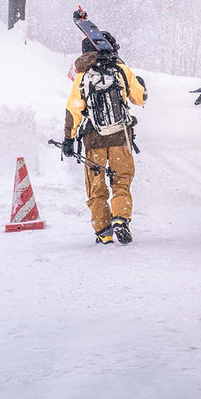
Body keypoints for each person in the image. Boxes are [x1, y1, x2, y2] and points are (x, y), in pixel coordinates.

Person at [62, 31, 146, 245]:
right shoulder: (121, 70)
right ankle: (121, 218)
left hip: (93, 142)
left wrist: (69, 139)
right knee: (121, 182)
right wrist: (141, 86)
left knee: (96, 188)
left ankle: (103, 231)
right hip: (120, 137)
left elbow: (74, 110)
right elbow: (139, 97)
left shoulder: (82, 77)